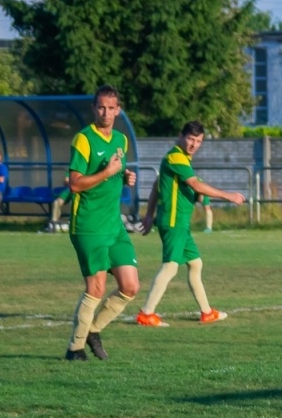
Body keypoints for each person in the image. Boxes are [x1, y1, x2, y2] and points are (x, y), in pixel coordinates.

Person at [135, 120, 247, 326]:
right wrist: (228, 195)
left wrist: (149, 214)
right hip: (173, 221)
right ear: (181, 136)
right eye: (191, 139)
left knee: (195, 263)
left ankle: (206, 312)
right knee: (170, 267)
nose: (194, 144)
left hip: (180, 223)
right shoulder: (176, 156)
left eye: (199, 141)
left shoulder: (181, 159)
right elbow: (196, 185)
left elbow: (155, 186)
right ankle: (146, 313)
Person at [64, 86, 139, 361]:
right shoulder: (83, 139)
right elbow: (74, 184)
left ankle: (93, 330)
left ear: (118, 110)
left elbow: (117, 172)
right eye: (101, 108)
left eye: (111, 108)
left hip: (113, 225)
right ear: (94, 109)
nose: (106, 113)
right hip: (88, 225)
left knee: (130, 286)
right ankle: (75, 349)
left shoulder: (121, 139)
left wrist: (125, 176)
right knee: (95, 288)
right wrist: (108, 171)